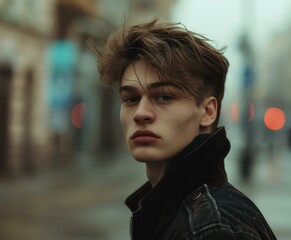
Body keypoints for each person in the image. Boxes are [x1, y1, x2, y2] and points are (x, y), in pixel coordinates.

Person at [89, 19, 276, 240]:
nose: (141, 113)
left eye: (164, 96)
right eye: (130, 98)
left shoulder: (212, 230)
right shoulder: (175, 211)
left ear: (207, 112)